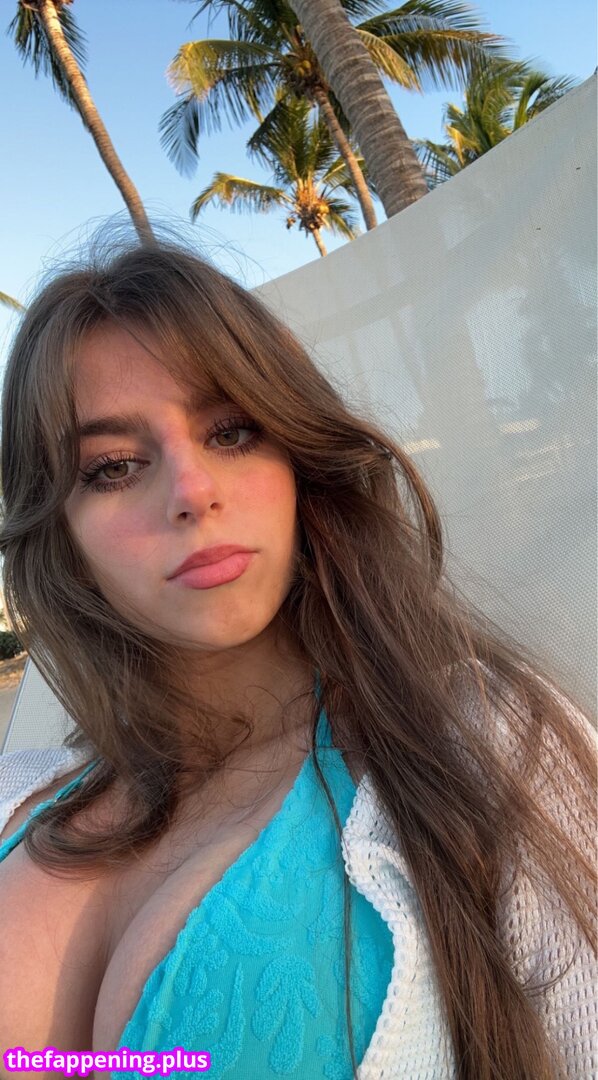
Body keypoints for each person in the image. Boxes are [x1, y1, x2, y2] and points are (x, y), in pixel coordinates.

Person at [0, 234, 595, 1080]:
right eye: (114, 466)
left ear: (298, 458)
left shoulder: (477, 742)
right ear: (61, 530)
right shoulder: (16, 790)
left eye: (232, 431)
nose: (191, 491)